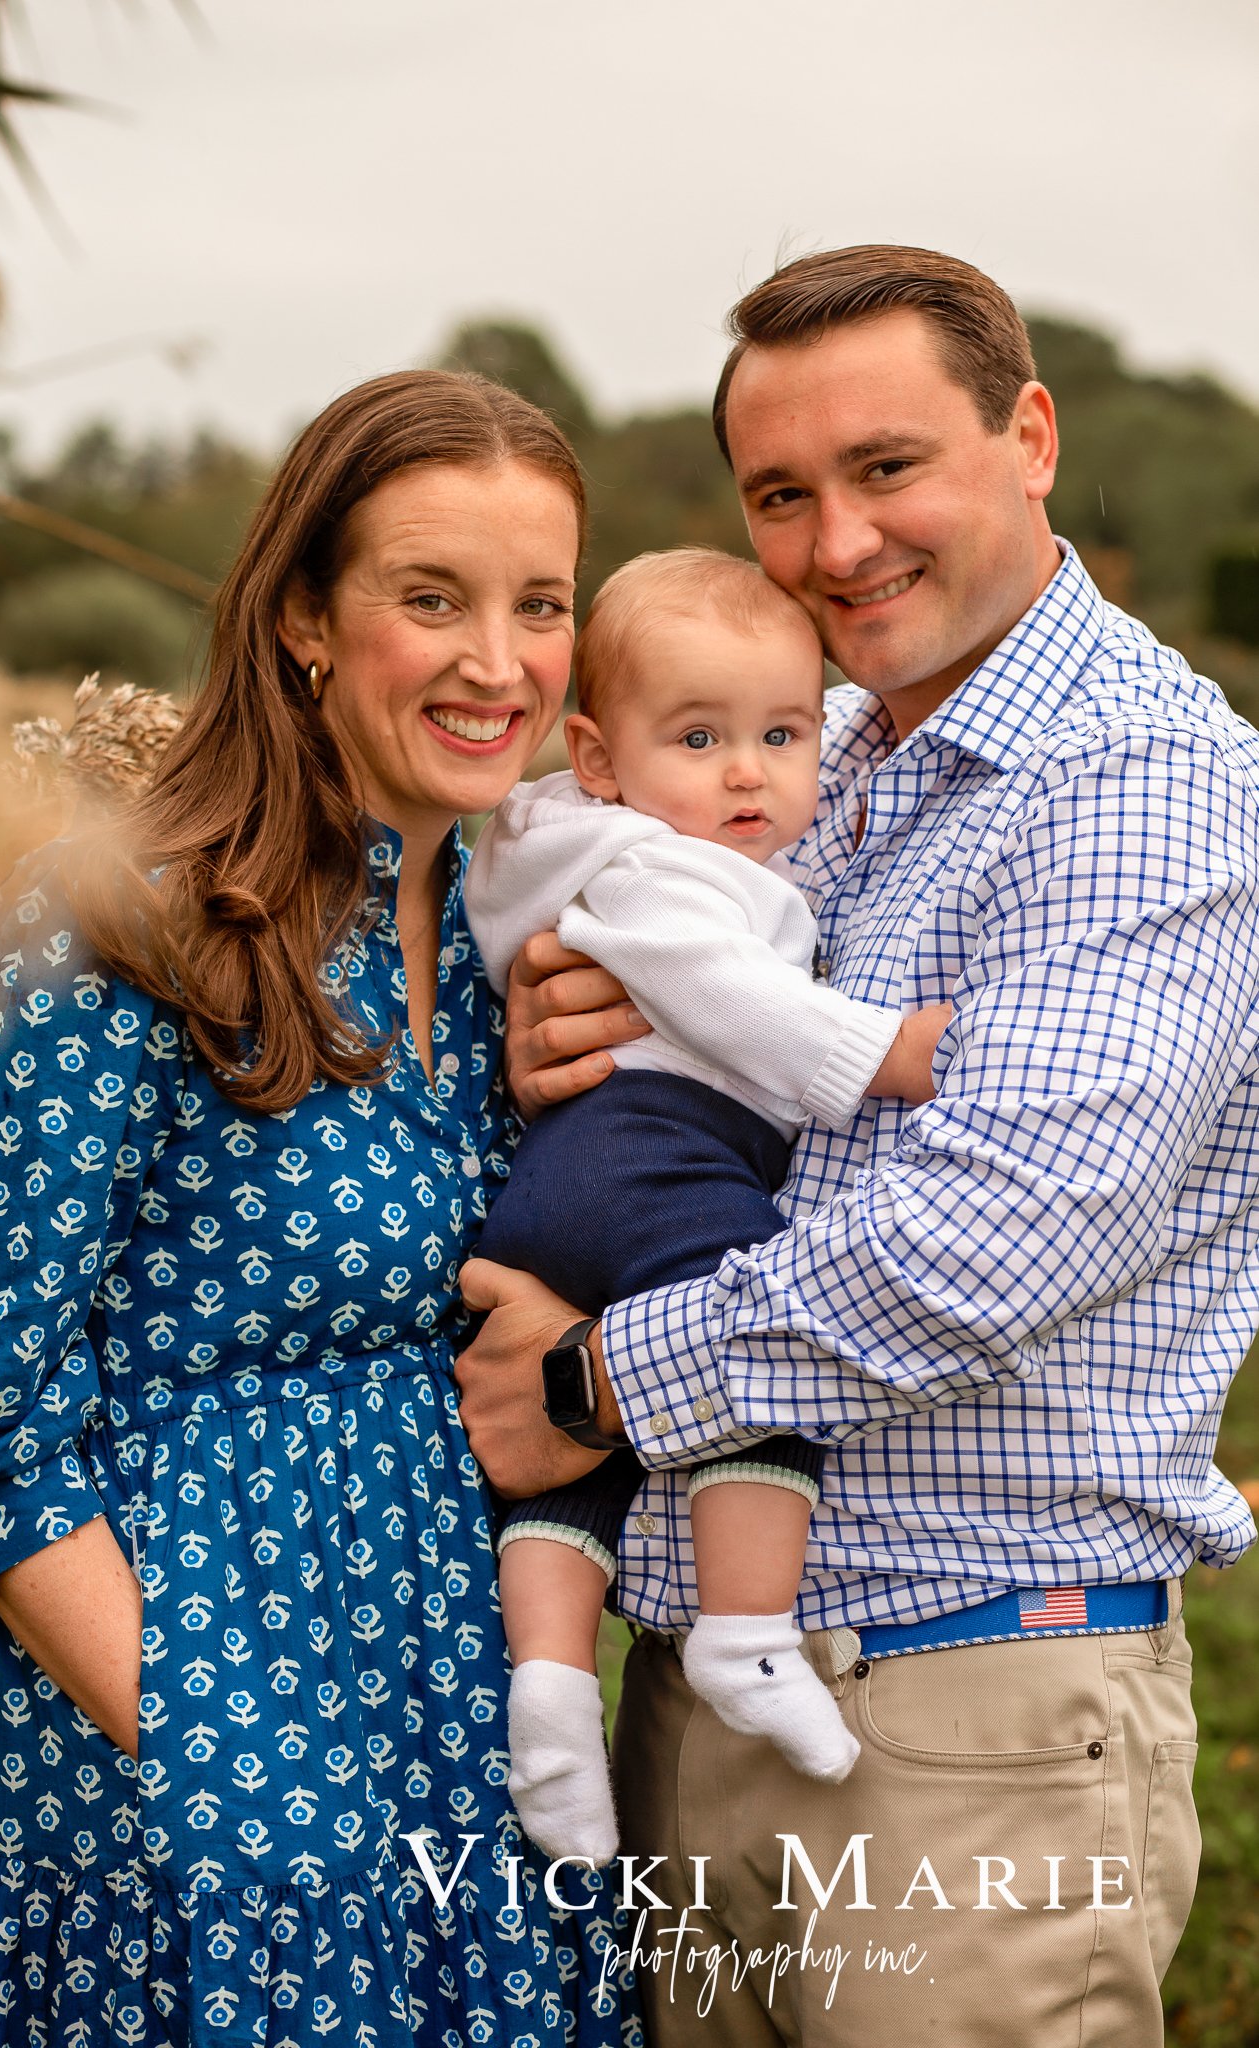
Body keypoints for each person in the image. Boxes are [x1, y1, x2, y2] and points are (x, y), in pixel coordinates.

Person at [455, 246, 1259, 2047]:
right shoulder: (806, 750)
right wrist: (559, 1027)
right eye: (778, 496)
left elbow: (1003, 1235)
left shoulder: (1137, 781)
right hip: (696, 1698)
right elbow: (628, 976)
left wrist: (592, 1382)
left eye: (886, 468)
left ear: (1028, 437)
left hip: (966, 1708)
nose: (833, 546)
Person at [0, 370, 640, 2047]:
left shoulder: (530, 947)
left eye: (539, 606)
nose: (497, 663)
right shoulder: (108, 917)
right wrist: (215, 1765)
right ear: (304, 616)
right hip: (168, 1735)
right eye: (430, 599)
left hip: (457, 1721)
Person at [464, 547, 950, 1862]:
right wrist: (892, 1051)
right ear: (599, 757)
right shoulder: (653, 870)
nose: (748, 773)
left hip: (575, 1177)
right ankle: (749, 1630)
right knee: (761, 1333)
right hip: (654, 1157)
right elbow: (740, 1005)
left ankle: (550, 1703)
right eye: (699, 739)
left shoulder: (600, 843)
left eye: (782, 736)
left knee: (591, 1464)